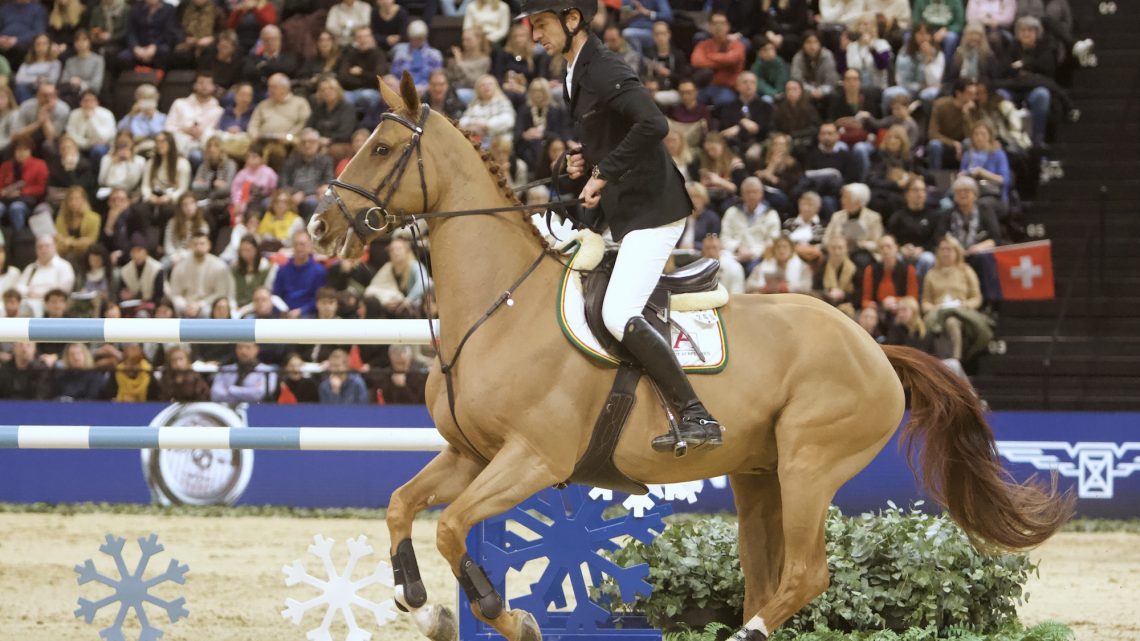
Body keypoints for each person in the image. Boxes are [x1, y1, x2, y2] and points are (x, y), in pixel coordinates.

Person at [524, 0, 721, 450]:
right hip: (621, 211)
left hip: (652, 209)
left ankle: (696, 415)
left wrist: (604, 170)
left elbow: (653, 123)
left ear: (572, 19)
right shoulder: (574, 71)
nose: (536, 36)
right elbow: (611, 133)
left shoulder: (603, 66)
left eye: (541, 24)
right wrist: (583, 162)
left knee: (617, 313)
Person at [921, 235, 992, 362]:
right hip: (938, 313)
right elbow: (925, 303)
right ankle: (945, 362)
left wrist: (964, 304)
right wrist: (935, 308)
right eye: (942, 249)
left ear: (957, 252)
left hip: (962, 312)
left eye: (949, 249)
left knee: (952, 321)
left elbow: (977, 298)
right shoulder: (931, 274)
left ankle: (955, 360)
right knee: (942, 322)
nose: (945, 253)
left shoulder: (966, 271)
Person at [717, 176, 779, 275]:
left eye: (755, 192)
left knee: (759, 269)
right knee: (724, 266)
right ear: (742, 194)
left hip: (759, 257)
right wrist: (738, 248)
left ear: (761, 194)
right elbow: (724, 237)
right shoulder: (732, 212)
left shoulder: (771, 214)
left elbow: (772, 242)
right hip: (734, 254)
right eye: (748, 192)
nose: (751, 196)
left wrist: (752, 253)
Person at [168, 232, 234, 317]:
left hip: (208, 305)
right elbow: (175, 293)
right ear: (190, 246)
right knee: (174, 308)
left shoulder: (219, 266)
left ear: (209, 245)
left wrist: (200, 305)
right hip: (186, 306)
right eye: (195, 244)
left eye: (202, 244)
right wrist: (185, 305)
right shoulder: (180, 266)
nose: (198, 247)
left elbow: (220, 293)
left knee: (208, 311)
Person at [822, 182, 883, 276]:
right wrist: (837, 244)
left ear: (857, 201)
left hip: (862, 252)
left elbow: (877, 244)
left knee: (860, 261)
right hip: (838, 250)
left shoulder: (874, 218)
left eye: (846, 197)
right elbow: (826, 239)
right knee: (826, 259)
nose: (842, 200)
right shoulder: (837, 216)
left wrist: (860, 243)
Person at [887, 175, 940, 280]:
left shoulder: (934, 216)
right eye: (915, 190)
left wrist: (922, 249)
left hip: (924, 252)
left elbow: (937, 239)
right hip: (902, 252)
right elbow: (890, 237)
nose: (920, 193)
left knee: (928, 259)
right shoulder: (898, 216)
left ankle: (922, 294)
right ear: (907, 194)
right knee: (894, 258)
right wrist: (900, 248)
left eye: (922, 190)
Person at [165, 72, 223, 166]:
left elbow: (218, 135)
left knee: (197, 157)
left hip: (203, 146)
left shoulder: (219, 111)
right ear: (195, 85)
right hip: (179, 143)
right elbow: (168, 128)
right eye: (201, 82)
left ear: (213, 87)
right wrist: (184, 130)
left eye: (208, 83)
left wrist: (202, 133)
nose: (204, 86)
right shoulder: (179, 103)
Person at [689, 11, 745, 107]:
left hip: (727, 88)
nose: (718, 27)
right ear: (710, 27)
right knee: (690, 99)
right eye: (715, 24)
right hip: (706, 86)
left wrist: (710, 56)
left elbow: (732, 59)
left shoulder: (737, 45)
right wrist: (721, 62)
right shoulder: (703, 44)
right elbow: (696, 61)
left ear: (728, 26)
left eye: (722, 23)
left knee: (724, 101)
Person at [364, 237, 427, 318]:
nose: (395, 252)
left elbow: (424, 283)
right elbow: (373, 288)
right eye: (392, 249)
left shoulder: (414, 265)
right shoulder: (389, 267)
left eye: (399, 249)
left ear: (406, 251)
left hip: (413, 308)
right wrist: (386, 302)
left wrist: (407, 300)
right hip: (394, 308)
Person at [927, 78, 977, 171]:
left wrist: (966, 117)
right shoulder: (941, 105)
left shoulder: (973, 108)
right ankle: (935, 178)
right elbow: (932, 133)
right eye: (970, 93)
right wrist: (953, 143)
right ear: (959, 93)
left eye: (974, 93)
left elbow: (973, 136)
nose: (974, 97)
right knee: (934, 145)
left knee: (968, 142)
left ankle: (967, 174)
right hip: (943, 142)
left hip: (963, 144)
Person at [272, 229, 325, 318]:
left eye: (302, 244)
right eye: (296, 244)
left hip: (308, 314)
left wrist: (301, 310)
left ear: (310, 246)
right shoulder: (283, 270)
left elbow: (318, 299)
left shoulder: (319, 271)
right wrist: (284, 311)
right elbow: (276, 295)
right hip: (284, 313)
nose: (299, 248)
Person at [861, 234, 918, 315]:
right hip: (878, 310)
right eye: (882, 247)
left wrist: (896, 300)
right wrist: (872, 305)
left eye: (888, 246)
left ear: (896, 248)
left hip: (901, 309)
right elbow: (865, 301)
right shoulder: (870, 270)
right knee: (868, 315)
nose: (885, 250)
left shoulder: (908, 269)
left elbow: (913, 298)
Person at [17, 235, 74, 315]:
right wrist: (29, 292)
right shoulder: (31, 268)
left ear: (54, 247)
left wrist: (43, 295)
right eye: (40, 247)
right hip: (28, 302)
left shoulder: (64, 266)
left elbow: (64, 289)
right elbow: (19, 287)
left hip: (51, 304)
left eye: (47, 246)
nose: (43, 250)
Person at [0, 136, 47, 230]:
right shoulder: (6, 166)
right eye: (18, 150)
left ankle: (19, 238)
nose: (21, 153)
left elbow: (41, 188)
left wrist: (21, 192)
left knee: (16, 208)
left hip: (27, 201)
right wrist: (4, 193)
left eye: (24, 150)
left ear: (30, 151)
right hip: (6, 199)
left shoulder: (40, 165)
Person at [337, 25, 388, 112]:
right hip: (351, 91)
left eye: (366, 36)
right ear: (355, 40)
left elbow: (378, 78)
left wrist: (361, 73)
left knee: (366, 96)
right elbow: (342, 77)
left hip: (371, 91)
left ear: (371, 38)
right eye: (360, 37)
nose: (363, 40)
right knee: (339, 98)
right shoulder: (350, 54)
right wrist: (366, 79)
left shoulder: (379, 55)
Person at [960, 121, 1012, 203]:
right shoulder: (967, 155)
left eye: (983, 134)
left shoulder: (998, 154)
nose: (979, 137)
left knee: (982, 203)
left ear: (990, 136)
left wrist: (982, 172)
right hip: (971, 193)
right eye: (976, 134)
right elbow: (962, 175)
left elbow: (1004, 180)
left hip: (994, 195)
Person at [119, 0, 179, 70]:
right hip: (140, 46)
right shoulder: (136, 9)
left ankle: (158, 80)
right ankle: (133, 80)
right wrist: (135, 48)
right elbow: (131, 32)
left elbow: (169, 33)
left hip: (160, 45)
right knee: (124, 56)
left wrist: (155, 47)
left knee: (165, 52)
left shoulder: (169, 9)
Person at [209, 341, 276, 402]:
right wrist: (248, 392)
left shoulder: (267, 371)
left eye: (248, 347)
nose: (243, 351)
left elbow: (259, 394)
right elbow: (215, 394)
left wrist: (230, 390)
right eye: (240, 347)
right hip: (226, 408)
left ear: (256, 349)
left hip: (257, 409)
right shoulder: (225, 370)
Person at [746, 234, 812, 294]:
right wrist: (763, 287)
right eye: (778, 247)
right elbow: (748, 285)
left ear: (792, 250)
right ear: (774, 250)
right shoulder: (762, 266)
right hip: (767, 300)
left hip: (792, 302)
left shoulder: (803, 267)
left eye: (785, 247)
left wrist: (788, 288)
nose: (781, 250)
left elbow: (807, 287)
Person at [458, 75, 516, 144]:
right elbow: (462, 121)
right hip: (476, 139)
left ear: (496, 87)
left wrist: (487, 125)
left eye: (490, 84)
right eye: (483, 85)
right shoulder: (474, 105)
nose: (486, 87)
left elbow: (508, 120)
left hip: (497, 140)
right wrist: (473, 126)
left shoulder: (502, 101)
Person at [390, 20, 443, 93]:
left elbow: (437, 77)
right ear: (410, 37)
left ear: (425, 37)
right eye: (414, 38)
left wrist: (424, 89)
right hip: (403, 90)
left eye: (420, 38)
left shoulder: (435, 55)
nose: (417, 41)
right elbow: (394, 75)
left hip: (427, 91)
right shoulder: (400, 53)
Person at [64, 90, 115, 165]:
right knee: (67, 146)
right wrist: (87, 143)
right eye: (86, 100)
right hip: (79, 144)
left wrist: (91, 119)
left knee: (98, 150)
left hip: (101, 146)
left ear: (97, 102)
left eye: (92, 100)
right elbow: (71, 134)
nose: (89, 103)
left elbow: (103, 137)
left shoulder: (107, 114)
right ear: (80, 102)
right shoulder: (74, 114)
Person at [54, 185, 100, 265]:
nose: (74, 202)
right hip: (65, 253)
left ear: (84, 200)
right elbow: (59, 242)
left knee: (71, 258)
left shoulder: (94, 218)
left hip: (86, 253)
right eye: (71, 199)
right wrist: (73, 243)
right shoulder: (60, 219)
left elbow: (90, 241)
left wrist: (70, 242)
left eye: (77, 198)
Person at [790, 31, 839, 102]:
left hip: (825, 92)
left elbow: (832, 80)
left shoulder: (827, 56)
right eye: (808, 42)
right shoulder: (798, 57)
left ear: (820, 44)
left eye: (815, 42)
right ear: (803, 45)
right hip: (805, 92)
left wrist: (822, 91)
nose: (812, 46)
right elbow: (796, 79)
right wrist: (811, 90)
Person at [14, 33, 61, 104]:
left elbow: (52, 80)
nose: (41, 47)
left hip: (45, 90)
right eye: (38, 44)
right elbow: (19, 79)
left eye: (44, 44)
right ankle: (27, 108)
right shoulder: (26, 64)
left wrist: (38, 81)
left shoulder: (55, 63)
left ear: (49, 45)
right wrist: (36, 79)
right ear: (33, 46)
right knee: (20, 88)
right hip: (28, 90)